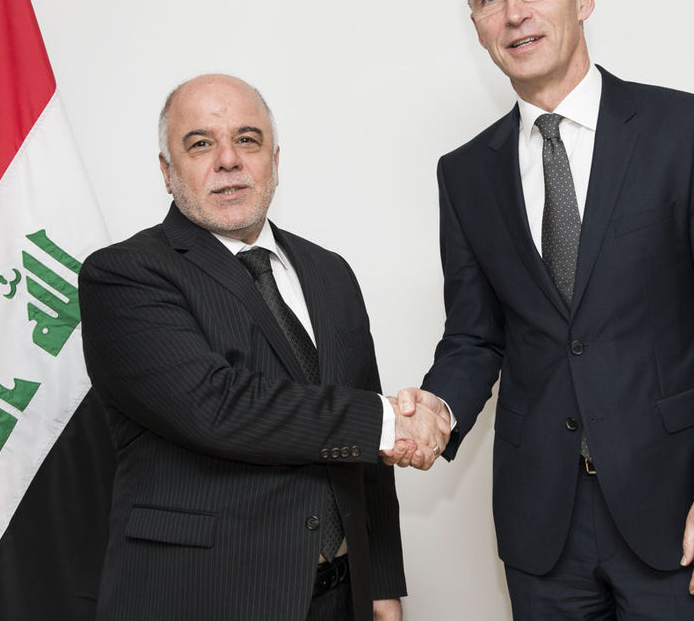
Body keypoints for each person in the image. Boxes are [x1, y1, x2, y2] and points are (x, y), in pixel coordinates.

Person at [394, 0, 694, 619]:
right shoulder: (465, 173)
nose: (514, 12)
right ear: (475, 24)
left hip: (681, 511)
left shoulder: (686, 132)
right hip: (543, 530)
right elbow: (477, 335)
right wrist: (438, 410)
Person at [78, 74, 448, 621]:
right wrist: (391, 421)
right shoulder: (125, 274)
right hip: (202, 597)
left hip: (340, 596)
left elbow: (363, 450)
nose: (229, 160)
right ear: (166, 170)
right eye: (201, 143)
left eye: (247, 140)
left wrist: (382, 582)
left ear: (274, 159)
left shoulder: (329, 272)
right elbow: (218, 407)